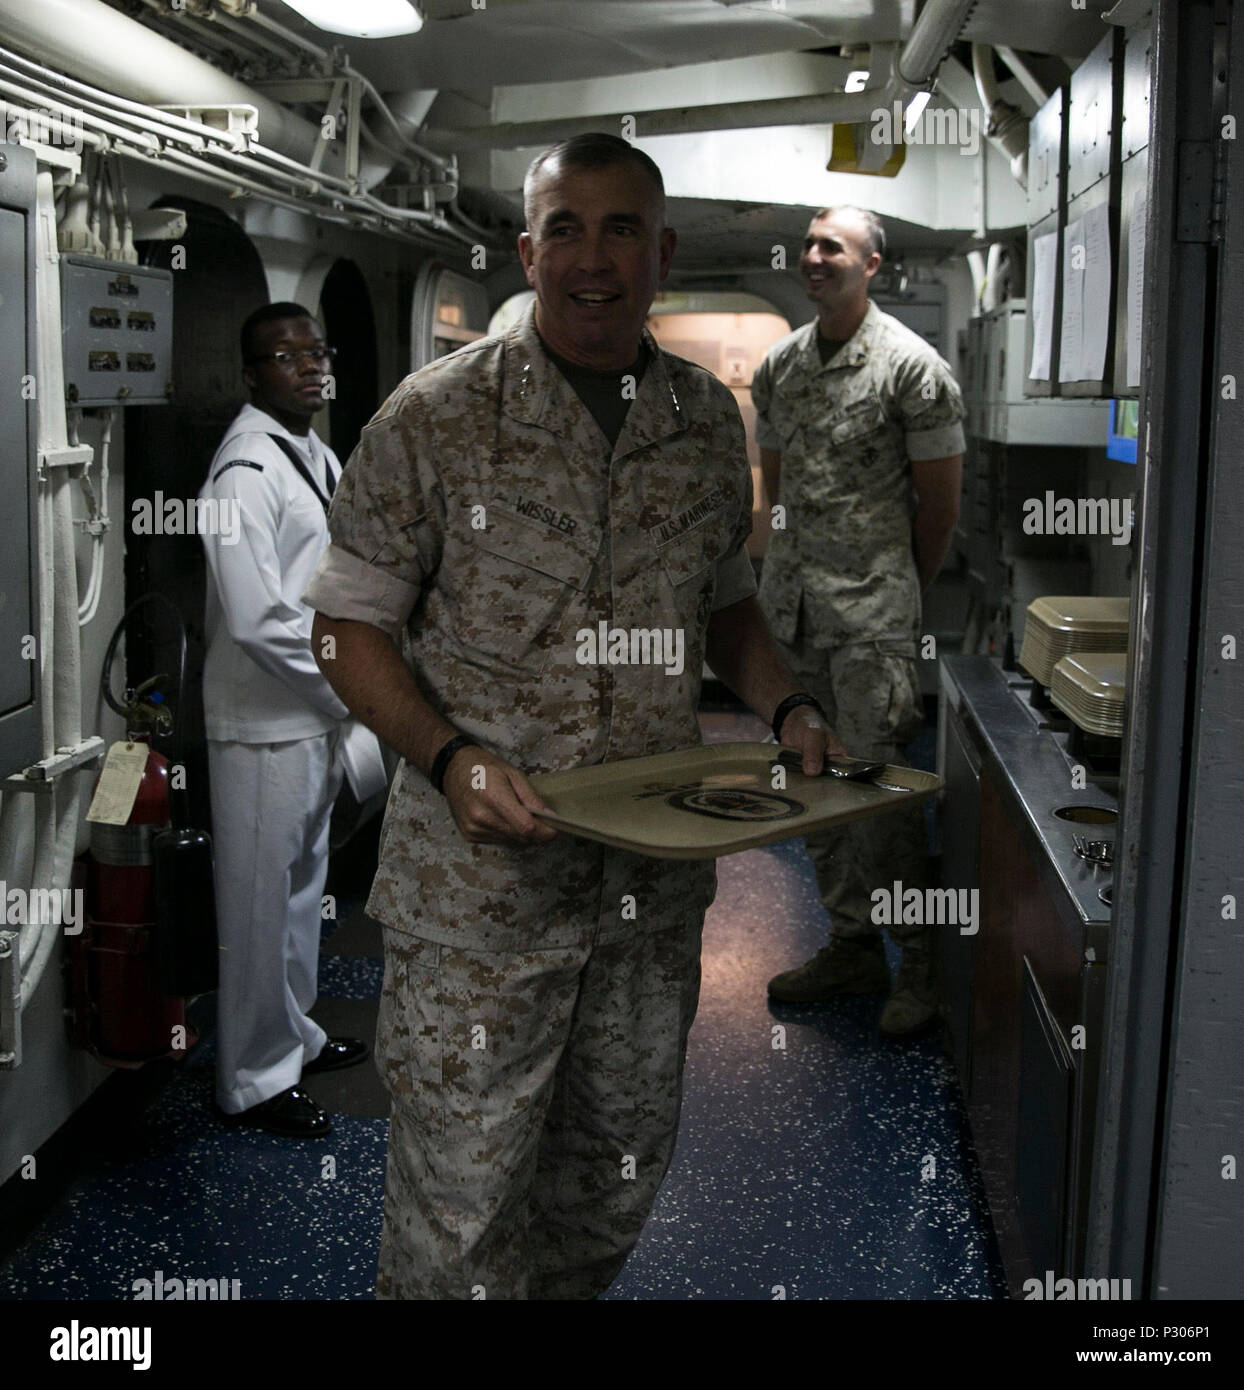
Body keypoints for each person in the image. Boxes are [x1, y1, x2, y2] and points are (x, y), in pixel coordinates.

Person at [303, 133, 845, 1300]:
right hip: (479, 905)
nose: (590, 259)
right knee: (460, 1212)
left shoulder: (705, 422)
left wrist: (787, 700)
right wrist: (450, 759)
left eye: (617, 231)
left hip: (644, 901)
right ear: (527, 248)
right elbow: (345, 631)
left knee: (609, 1186)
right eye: (564, 228)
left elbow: (728, 607)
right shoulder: (435, 419)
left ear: (662, 253)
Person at [753, 206, 964, 1036]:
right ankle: (848, 946)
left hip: (871, 617)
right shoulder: (780, 366)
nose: (812, 257)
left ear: (871, 264)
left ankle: (916, 964)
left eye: (830, 247)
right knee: (811, 788)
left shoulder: (911, 369)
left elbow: (938, 511)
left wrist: (891, 596)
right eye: (806, 245)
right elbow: (776, 493)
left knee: (879, 797)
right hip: (793, 616)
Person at [199, 303, 380, 1138]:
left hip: (307, 715)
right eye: (287, 355)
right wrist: (349, 689)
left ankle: (295, 1037)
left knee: (303, 893)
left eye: (319, 351)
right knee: (257, 906)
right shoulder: (242, 470)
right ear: (251, 372)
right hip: (265, 723)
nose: (310, 367)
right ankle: (250, 1079)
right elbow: (254, 615)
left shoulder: (311, 451)